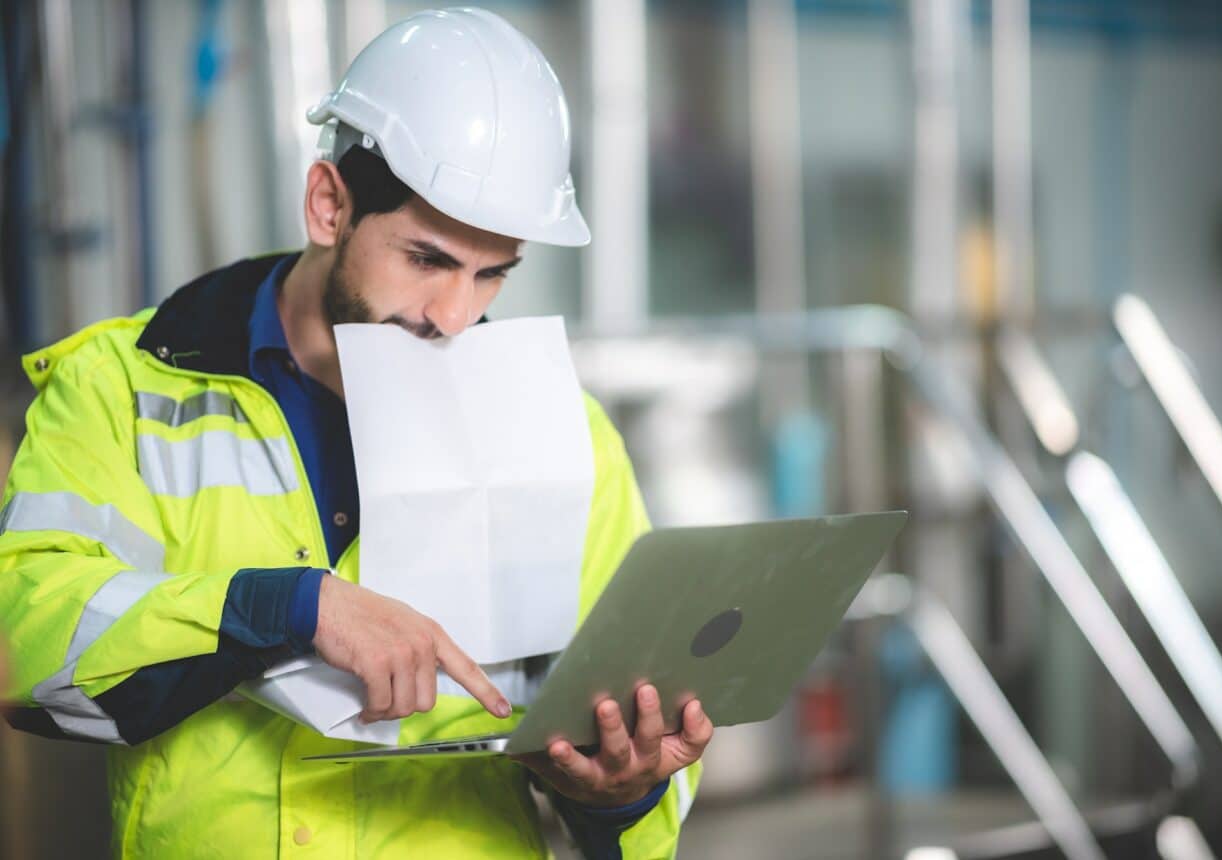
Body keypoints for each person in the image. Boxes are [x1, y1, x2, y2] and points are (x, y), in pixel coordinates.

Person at [0, 8, 707, 858]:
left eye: (492, 274)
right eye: (428, 259)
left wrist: (622, 793)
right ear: (328, 205)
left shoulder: (559, 428)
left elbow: (624, 730)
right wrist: (284, 608)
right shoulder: (124, 388)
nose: (456, 315)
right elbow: (23, 645)